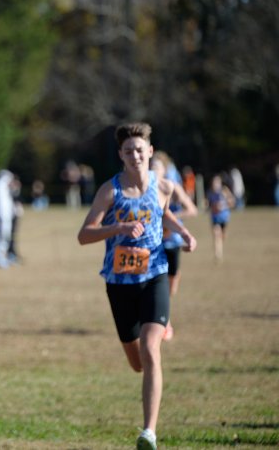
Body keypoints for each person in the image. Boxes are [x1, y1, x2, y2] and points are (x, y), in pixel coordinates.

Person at [78, 123, 197, 450]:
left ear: (150, 152)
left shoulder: (164, 186)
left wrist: (183, 233)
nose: (135, 155)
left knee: (150, 349)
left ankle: (149, 432)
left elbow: (163, 214)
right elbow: (84, 234)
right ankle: (148, 379)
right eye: (128, 151)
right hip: (119, 284)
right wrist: (118, 227)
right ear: (121, 155)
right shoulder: (110, 191)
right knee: (137, 362)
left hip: (155, 275)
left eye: (140, 150)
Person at [150, 151, 198, 340]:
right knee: (155, 282)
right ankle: (164, 323)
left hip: (172, 242)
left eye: (157, 166)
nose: (153, 169)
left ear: (165, 169)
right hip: (154, 243)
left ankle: (164, 315)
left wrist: (170, 219)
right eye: (151, 166)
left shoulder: (172, 187)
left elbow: (191, 210)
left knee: (171, 286)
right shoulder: (144, 188)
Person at [206, 173, 235, 262]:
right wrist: (210, 206)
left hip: (224, 217)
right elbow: (208, 204)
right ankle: (218, 254)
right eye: (214, 182)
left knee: (222, 236)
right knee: (216, 234)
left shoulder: (224, 191)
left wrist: (223, 205)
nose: (215, 184)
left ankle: (220, 248)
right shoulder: (210, 192)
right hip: (215, 217)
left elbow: (232, 202)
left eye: (217, 182)